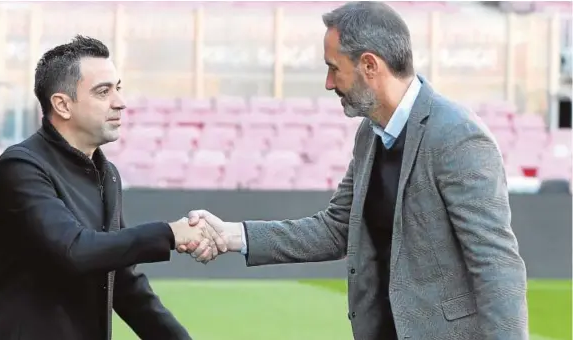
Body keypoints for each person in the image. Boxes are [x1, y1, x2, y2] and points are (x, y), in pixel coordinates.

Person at [182, 2, 529, 339]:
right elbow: (336, 229)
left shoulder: (457, 136)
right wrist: (232, 236)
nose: (329, 83)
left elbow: (495, 262)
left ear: (369, 65)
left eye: (334, 68)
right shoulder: (370, 133)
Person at [0, 35, 221, 340]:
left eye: (118, 88)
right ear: (63, 105)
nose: (120, 102)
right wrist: (170, 233)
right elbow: (74, 251)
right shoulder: (20, 168)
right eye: (103, 92)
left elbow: (124, 284)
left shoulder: (108, 175)